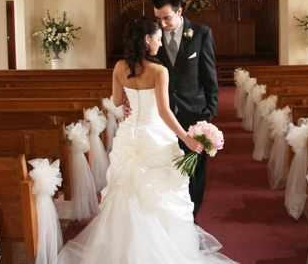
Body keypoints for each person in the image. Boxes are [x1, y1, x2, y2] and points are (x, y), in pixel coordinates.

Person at [55, 17, 237, 264]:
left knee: (127, 193)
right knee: (159, 194)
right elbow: (164, 112)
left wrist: (130, 103)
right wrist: (185, 137)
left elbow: (117, 101)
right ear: (146, 39)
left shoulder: (120, 67)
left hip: (129, 135)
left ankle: (125, 251)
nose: (161, 44)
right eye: (158, 39)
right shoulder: (159, 71)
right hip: (154, 135)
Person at [151, 0, 219, 217]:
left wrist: (209, 112)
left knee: (195, 170)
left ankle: (192, 217)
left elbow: (210, 76)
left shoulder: (201, 33)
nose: (162, 24)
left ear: (179, 11)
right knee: (169, 166)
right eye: (158, 18)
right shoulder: (153, 35)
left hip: (195, 113)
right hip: (163, 114)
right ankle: (173, 215)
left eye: (166, 18)